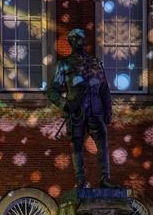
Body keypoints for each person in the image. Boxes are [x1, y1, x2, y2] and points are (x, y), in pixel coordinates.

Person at [47, 28, 117, 188]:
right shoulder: (63, 65)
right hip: (76, 111)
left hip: (96, 110)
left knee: (102, 144)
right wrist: (65, 104)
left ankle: (105, 178)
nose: (81, 41)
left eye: (82, 38)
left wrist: (108, 110)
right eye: (77, 38)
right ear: (71, 42)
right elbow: (52, 91)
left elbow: (104, 89)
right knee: (77, 145)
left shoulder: (96, 63)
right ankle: (80, 180)